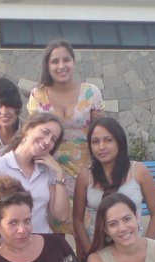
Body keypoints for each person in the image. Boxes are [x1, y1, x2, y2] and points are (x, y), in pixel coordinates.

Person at [27, 39, 104, 234]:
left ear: (73, 61)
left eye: (66, 60)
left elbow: (100, 134)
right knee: (53, 230)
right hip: (49, 171)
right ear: (47, 65)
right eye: (55, 61)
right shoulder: (38, 95)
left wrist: (102, 170)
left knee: (86, 231)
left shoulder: (90, 92)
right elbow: (32, 135)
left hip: (85, 172)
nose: (61, 66)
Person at [73, 117, 155, 260]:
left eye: (108, 140)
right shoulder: (85, 176)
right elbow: (77, 221)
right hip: (99, 251)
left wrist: (146, 250)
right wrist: (91, 254)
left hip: (134, 250)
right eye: (95, 141)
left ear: (119, 142)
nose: (101, 147)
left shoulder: (138, 171)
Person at [0, 113, 69, 234]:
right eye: (45, 132)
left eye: (53, 139)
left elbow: (61, 216)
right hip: (9, 242)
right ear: (28, 129)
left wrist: (59, 173)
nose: (47, 141)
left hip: (42, 239)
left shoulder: (48, 171)